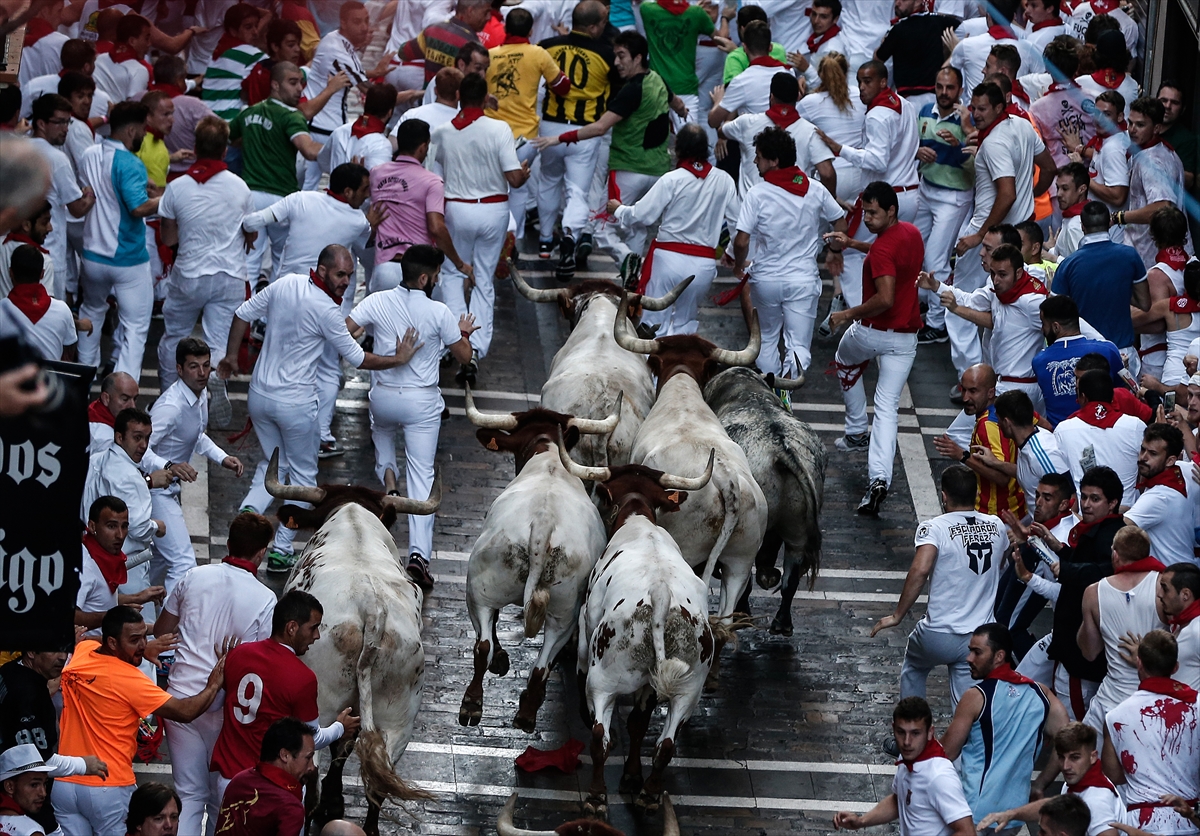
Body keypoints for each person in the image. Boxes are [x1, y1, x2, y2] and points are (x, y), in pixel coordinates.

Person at [217, 245, 409, 572]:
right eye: (340, 275)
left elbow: (241, 314)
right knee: (303, 476)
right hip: (296, 404)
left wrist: (232, 356)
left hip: (260, 396)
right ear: (321, 271)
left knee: (272, 464)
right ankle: (280, 551)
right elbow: (359, 359)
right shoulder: (326, 310)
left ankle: (246, 522)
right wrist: (398, 359)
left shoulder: (284, 284)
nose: (346, 281)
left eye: (350, 275)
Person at [347, 246, 478, 590]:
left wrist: (374, 356)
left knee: (382, 434)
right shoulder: (439, 311)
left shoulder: (378, 300)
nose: (437, 280)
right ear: (425, 278)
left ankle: (389, 484)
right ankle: (418, 555)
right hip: (421, 403)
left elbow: (345, 332)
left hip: (384, 397)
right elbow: (464, 358)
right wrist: (463, 332)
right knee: (421, 476)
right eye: (435, 275)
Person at [152, 512, 276, 836]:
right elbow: (259, 665)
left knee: (189, 796)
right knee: (222, 799)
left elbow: (162, 630)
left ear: (230, 542)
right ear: (261, 552)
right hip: (226, 709)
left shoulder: (194, 576)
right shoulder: (266, 600)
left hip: (179, 699)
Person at [54, 605, 226, 836]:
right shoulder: (131, 680)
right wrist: (214, 685)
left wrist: (137, 651)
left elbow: (94, 640)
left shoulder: (83, 650)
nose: (144, 645)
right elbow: (186, 711)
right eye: (135, 640)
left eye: (145, 636)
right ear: (113, 643)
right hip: (108, 786)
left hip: (65, 784)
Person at [536, 30, 680, 286]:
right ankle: (632, 280)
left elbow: (600, 128)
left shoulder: (631, 91)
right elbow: (677, 103)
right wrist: (684, 110)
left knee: (601, 227)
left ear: (638, 58)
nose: (616, 63)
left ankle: (626, 258)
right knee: (636, 226)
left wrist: (558, 138)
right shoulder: (658, 79)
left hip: (628, 171)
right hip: (658, 171)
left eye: (621, 56)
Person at [871, 465, 1007, 715]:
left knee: (914, 665)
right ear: (976, 496)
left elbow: (920, 570)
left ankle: (912, 728)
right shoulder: (997, 526)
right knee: (966, 702)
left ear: (943, 496)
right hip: (977, 637)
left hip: (938, 634)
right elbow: (1001, 562)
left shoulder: (934, 528)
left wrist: (897, 615)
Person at [826, 181, 923, 515]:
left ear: (891, 210)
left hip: (870, 333)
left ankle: (854, 430)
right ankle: (879, 477)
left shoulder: (882, 250)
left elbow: (884, 299)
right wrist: (853, 242)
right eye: (865, 211)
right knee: (886, 408)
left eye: (872, 212)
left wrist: (845, 314)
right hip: (906, 340)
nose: (866, 217)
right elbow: (887, 251)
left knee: (843, 359)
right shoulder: (910, 233)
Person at [210, 591, 360, 800]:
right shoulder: (302, 677)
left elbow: (216, 704)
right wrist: (340, 727)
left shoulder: (238, 654)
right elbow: (312, 738)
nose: (317, 636)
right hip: (273, 789)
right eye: (314, 627)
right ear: (292, 628)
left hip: (229, 783)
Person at [433, 72, 528, 384]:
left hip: (457, 208)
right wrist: (524, 173)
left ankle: (456, 338)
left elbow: (436, 175)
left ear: (459, 95)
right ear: (486, 97)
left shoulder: (443, 132)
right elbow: (514, 179)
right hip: (493, 209)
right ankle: (475, 348)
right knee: (484, 280)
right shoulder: (499, 128)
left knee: (452, 274)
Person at [732, 125, 846, 380]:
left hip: (766, 281)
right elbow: (840, 223)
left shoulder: (757, 193)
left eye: (759, 156)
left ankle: (771, 389)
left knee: (767, 339)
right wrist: (834, 249)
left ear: (773, 161)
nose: (755, 161)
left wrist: (739, 266)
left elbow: (741, 241)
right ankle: (788, 393)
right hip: (803, 281)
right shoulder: (815, 189)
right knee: (798, 346)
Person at [156, 115, 252, 403]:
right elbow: (251, 236)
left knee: (174, 338)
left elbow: (169, 239)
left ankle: (169, 397)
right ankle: (212, 381)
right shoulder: (240, 187)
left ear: (195, 148)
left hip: (190, 273)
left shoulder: (177, 187)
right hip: (230, 274)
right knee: (217, 342)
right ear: (225, 150)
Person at [608, 123, 735, 336]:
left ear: (678, 149)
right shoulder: (724, 180)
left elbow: (643, 215)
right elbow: (737, 225)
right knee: (685, 326)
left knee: (653, 326)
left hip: (668, 261)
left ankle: (654, 368)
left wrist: (618, 209)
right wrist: (731, 252)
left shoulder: (671, 179)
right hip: (703, 266)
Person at [940, 623, 1069, 821]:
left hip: (973, 812)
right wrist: (1041, 783)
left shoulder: (975, 697)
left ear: (999, 656)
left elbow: (946, 752)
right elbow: (1067, 741)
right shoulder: (1041, 694)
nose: (969, 658)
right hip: (1013, 815)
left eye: (977, 652)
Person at [147, 337, 244, 595]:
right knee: (182, 562)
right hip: (155, 491)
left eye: (205, 366)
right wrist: (169, 465)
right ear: (179, 369)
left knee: (156, 563)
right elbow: (139, 447)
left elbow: (196, 435)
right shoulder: (170, 406)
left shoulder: (198, 396)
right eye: (193, 366)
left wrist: (222, 457)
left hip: (170, 490)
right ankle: (168, 629)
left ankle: (142, 622)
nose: (202, 373)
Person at [76, 100, 158, 380]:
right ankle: (123, 399)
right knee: (135, 329)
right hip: (127, 258)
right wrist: (166, 198)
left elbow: (104, 188)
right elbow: (137, 208)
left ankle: (83, 385)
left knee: (91, 313)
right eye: (144, 129)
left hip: (91, 255)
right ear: (132, 130)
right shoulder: (131, 163)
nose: (145, 134)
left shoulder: (89, 153)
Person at [535, 1, 615, 278]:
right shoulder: (607, 54)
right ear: (593, 26)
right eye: (603, 22)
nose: (606, 26)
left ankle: (545, 241)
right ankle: (570, 234)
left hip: (549, 127)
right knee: (577, 191)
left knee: (548, 180)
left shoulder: (547, 45)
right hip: (585, 132)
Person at [921, 243, 1048, 413]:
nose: (996, 280)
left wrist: (1096, 343)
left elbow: (1070, 324)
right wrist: (937, 286)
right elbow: (969, 299)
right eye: (993, 274)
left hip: (1021, 388)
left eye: (1002, 275)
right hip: (1000, 385)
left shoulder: (1033, 302)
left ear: (1018, 273)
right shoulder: (994, 291)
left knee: (967, 433)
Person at [228, 62, 325, 282]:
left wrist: (255, 140)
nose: (299, 88)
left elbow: (228, 139)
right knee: (283, 264)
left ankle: (246, 315)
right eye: (292, 82)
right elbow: (309, 150)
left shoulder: (248, 113)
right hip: (281, 199)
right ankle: (274, 315)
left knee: (250, 263)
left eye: (301, 82)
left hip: (251, 196)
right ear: (275, 85)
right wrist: (338, 149)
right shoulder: (291, 117)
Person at [1102, 631, 1200, 833]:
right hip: (1189, 820)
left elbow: (1114, 774)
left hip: (1142, 824)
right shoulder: (1197, 705)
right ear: (1175, 667)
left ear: (1139, 663)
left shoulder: (1115, 716)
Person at [0, 650, 107, 835]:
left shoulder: (10, 671)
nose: (62, 657)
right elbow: (39, 764)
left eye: (64, 650)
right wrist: (83, 765)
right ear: (31, 653)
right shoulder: (26, 695)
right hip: (19, 807)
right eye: (53, 650)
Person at [831, 697, 974, 834]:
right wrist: (861, 821)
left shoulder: (939, 777)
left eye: (915, 733)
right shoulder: (906, 759)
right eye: (901, 732)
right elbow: (899, 800)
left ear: (930, 732)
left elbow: (967, 832)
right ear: (893, 728)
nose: (907, 742)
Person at [82, 410, 171, 624]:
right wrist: (157, 526)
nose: (143, 445)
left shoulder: (95, 460)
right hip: (128, 567)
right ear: (119, 437)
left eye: (147, 438)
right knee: (138, 630)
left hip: (95, 559)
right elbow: (139, 527)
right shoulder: (131, 478)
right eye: (137, 437)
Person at [1078, 526, 1169, 735]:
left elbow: (1089, 652)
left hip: (1111, 701)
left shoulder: (1093, 593)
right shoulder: (1163, 587)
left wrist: (1088, 616)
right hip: (1154, 702)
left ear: (1115, 554)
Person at [912, 66, 974, 351]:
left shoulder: (968, 119)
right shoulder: (925, 111)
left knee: (936, 258)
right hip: (927, 189)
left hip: (954, 196)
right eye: (940, 87)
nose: (944, 93)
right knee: (916, 249)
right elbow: (913, 145)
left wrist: (962, 143)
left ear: (960, 90)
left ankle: (937, 324)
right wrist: (917, 151)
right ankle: (926, 307)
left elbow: (978, 163)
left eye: (950, 88)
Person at [371, 119, 470, 293]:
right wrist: (460, 264)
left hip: (384, 269)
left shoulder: (376, 173)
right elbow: (437, 228)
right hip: (418, 273)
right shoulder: (432, 182)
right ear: (423, 147)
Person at [815, 59, 919, 223]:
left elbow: (878, 162)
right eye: (859, 82)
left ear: (883, 82)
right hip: (911, 196)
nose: (861, 87)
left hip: (883, 201)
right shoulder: (906, 105)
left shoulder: (876, 116)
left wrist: (840, 149)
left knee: (848, 247)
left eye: (867, 81)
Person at [301, 2, 390, 190]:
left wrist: (374, 71)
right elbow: (367, 89)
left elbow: (353, 71)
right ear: (343, 23)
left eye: (366, 21)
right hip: (323, 127)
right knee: (336, 186)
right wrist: (406, 96)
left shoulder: (336, 40)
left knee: (314, 185)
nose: (364, 27)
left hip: (324, 125)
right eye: (357, 22)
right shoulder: (337, 48)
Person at [978, 722, 1122, 836]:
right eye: (1061, 757)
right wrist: (1011, 814)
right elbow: (1053, 807)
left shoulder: (1096, 802)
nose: (1065, 766)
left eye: (1074, 757)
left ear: (1092, 757)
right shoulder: (1081, 782)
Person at [1053, 202, 1149, 371]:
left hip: (1085, 357)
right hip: (1123, 353)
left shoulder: (1068, 264)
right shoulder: (1130, 256)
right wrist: (1119, 289)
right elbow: (1145, 303)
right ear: (1109, 225)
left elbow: (1053, 314)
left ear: (1082, 226)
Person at [719, 71, 837, 200]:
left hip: (750, 212)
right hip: (793, 212)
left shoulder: (746, 122)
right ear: (798, 96)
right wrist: (826, 203)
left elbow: (721, 131)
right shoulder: (811, 132)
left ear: (771, 97)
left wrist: (721, 107)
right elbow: (827, 174)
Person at [1000, 471, 1078, 659]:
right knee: (1003, 620)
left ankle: (1026, 675)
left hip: (1062, 601)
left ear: (1063, 504)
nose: (1039, 503)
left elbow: (1061, 589)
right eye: (1037, 496)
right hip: (1044, 579)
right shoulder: (1060, 522)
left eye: (1047, 498)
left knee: (1009, 627)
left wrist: (1028, 543)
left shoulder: (1061, 536)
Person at [933, 364, 1026, 516]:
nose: (965, 398)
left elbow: (1002, 478)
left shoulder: (988, 425)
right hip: (1013, 508)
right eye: (963, 389)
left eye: (973, 391)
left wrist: (962, 456)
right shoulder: (1006, 409)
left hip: (996, 513)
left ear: (990, 392)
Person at [27, 93, 92, 300]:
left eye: (68, 122)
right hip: (50, 253)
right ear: (41, 124)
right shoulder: (57, 159)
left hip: (17, 251)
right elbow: (77, 208)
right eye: (60, 122)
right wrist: (90, 193)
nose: (66, 128)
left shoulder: (17, 149)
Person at [1120, 96, 1192, 272]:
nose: (1132, 130)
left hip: (1154, 260)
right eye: (1130, 123)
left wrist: (1118, 217)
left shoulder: (1153, 161)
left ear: (1157, 128)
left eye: (1140, 125)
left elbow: (1162, 207)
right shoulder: (1153, 151)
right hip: (1150, 257)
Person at [1034, 297, 1125, 427]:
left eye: (1044, 324)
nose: (1042, 330)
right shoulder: (1108, 349)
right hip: (1107, 429)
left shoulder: (1039, 361)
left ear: (1056, 327)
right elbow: (1123, 391)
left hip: (1062, 438)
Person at [1054, 370, 1147, 496]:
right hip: (1128, 511)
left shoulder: (1063, 430)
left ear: (1083, 397)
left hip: (1083, 513)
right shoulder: (1136, 426)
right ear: (1112, 396)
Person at [215, 717, 313, 836]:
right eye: (308, 758)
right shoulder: (290, 808)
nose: (312, 767)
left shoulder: (239, 781)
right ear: (285, 755)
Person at [1133, 206, 1194, 386]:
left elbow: (1159, 324)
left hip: (1159, 360)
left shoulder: (1157, 275)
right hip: (1191, 356)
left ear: (1153, 236)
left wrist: (1127, 323)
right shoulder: (1195, 266)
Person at [1124, 423, 1194, 567]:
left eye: (1153, 454)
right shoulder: (1183, 473)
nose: (1143, 457)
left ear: (1170, 460)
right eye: (1143, 449)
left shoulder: (1158, 497)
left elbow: (1120, 529)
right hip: (1185, 572)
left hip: (1171, 581)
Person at [638, 0, 717, 129]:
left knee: (653, 141)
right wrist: (725, 17)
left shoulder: (647, 10)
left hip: (656, 88)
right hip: (686, 88)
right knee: (691, 142)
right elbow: (720, 37)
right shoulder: (696, 13)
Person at [707, 21, 793, 126]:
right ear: (770, 47)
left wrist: (718, 101)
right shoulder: (789, 74)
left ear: (744, 48)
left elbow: (713, 121)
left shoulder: (741, 81)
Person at [2, 245, 78, 361]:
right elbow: (68, 358)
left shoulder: (2, 310)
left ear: (10, 273)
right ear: (42, 274)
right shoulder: (63, 310)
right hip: (50, 377)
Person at [396, 0, 491, 86]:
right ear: (470, 11)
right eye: (485, 12)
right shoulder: (474, 47)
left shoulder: (433, 30)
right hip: (455, 103)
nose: (489, 17)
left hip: (428, 100)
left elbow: (403, 53)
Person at [149, 55, 214, 180]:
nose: (171, 120)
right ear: (179, 80)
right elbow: (219, 131)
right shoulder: (193, 105)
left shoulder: (138, 99)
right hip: (189, 176)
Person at [200, 3, 265, 123]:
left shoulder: (218, 51)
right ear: (233, 31)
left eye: (256, 26)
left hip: (206, 122)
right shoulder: (251, 54)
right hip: (230, 122)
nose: (256, 32)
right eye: (248, 27)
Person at [322, 83, 396, 174]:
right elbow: (379, 182)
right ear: (390, 112)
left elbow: (323, 161)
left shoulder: (339, 131)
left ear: (364, 104)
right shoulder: (382, 144)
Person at [92, 13, 152, 104]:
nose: (149, 44)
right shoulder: (139, 70)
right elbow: (133, 109)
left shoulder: (97, 59)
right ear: (132, 41)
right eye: (146, 39)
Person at [1159, 562, 1200, 690]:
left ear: (1185, 595)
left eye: (1165, 588)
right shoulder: (1178, 625)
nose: (1159, 594)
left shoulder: (1197, 630)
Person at [0, 203, 55, 298]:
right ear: (26, 225)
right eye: (44, 222)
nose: (50, 228)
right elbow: (46, 303)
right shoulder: (44, 261)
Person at [0, 745, 54, 836]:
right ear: (9, 787)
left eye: (45, 784)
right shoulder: (31, 831)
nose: (43, 793)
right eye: (34, 785)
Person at [1158, 79, 1197, 192]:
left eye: (1174, 103)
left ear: (1183, 109)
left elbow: (1189, 179)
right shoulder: (1142, 129)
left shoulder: (1186, 139)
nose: (1167, 106)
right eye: (1163, 100)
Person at [1050, 163, 1091, 262]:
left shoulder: (1075, 225)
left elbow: (1083, 265)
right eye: (1058, 188)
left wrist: (1052, 258)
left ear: (1082, 189)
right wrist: (1053, 249)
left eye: (1065, 188)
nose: (1059, 194)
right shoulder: (1083, 216)